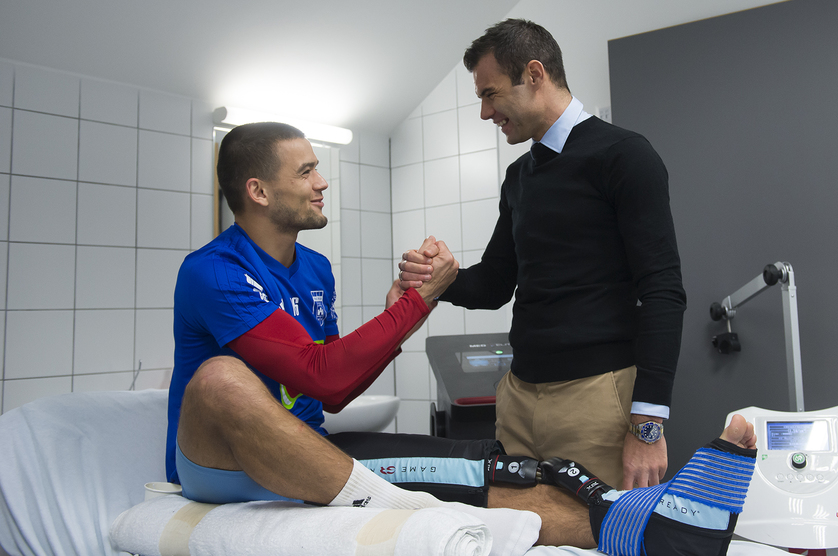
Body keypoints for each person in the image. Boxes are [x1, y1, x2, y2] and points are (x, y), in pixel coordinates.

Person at [167, 121, 758, 553]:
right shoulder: (213, 272)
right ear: (258, 191)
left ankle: (664, 530)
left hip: (304, 448)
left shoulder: (315, 269)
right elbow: (324, 375)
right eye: (306, 171)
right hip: (218, 459)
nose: (322, 182)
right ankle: (391, 498)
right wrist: (416, 303)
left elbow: (334, 393)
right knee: (221, 379)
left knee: (495, 471)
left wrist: (401, 311)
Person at [399, 18, 687, 490]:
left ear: (534, 74)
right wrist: (438, 276)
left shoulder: (624, 156)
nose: (485, 113)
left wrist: (647, 427)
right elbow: (495, 284)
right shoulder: (518, 177)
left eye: (490, 94)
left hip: (597, 399)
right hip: (517, 398)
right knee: (518, 527)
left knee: (595, 529)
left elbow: (663, 291)